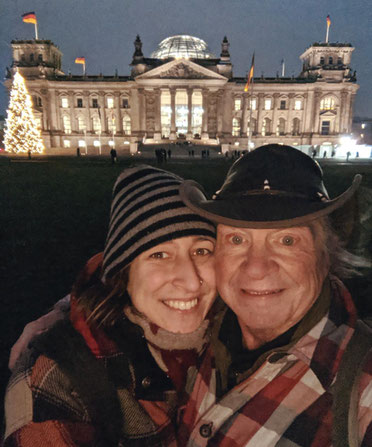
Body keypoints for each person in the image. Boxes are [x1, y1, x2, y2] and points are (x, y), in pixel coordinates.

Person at [4, 165, 217, 446]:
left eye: (202, 250)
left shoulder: (241, 335)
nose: (191, 281)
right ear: (123, 274)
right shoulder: (57, 377)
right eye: (159, 254)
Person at [178, 144, 372, 446]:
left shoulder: (364, 390)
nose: (256, 268)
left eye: (286, 239)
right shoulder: (198, 335)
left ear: (326, 256)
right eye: (237, 238)